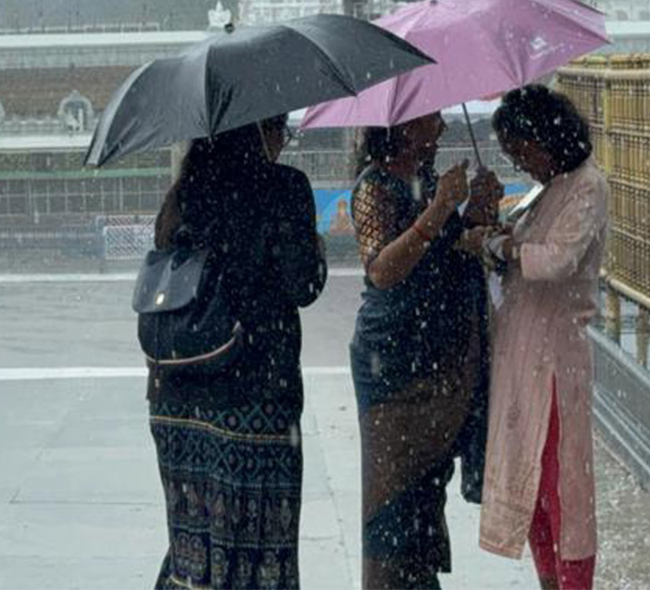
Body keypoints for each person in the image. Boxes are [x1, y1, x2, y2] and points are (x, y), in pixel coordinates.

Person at [149, 114, 327, 590]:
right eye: (280, 130)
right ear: (258, 132)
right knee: (257, 551)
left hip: (178, 400)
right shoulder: (284, 187)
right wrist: (316, 249)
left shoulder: (182, 193)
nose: (282, 142)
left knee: (194, 548)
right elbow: (303, 284)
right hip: (254, 396)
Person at [349, 112, 502, 589]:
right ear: (403, 126)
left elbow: (447, 252)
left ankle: (417, 580)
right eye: (431, 119)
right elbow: (382, 270)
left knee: (424, 496)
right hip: (395, 363)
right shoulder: (374, 187)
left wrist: (476, 209)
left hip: (440, 358)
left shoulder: (428, 180)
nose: (441, 128)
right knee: (393, 497)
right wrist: (438, 209)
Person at [479, 85, 608, 590]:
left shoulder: (586, 186)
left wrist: (507, 247)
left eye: (522, 150)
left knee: (564, 488)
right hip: (520, 358)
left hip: (554, 362)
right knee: (531, 484)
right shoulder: (547, 189)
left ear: (546, 137)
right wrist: (495, 233)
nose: (521, 162)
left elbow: (556, 260)